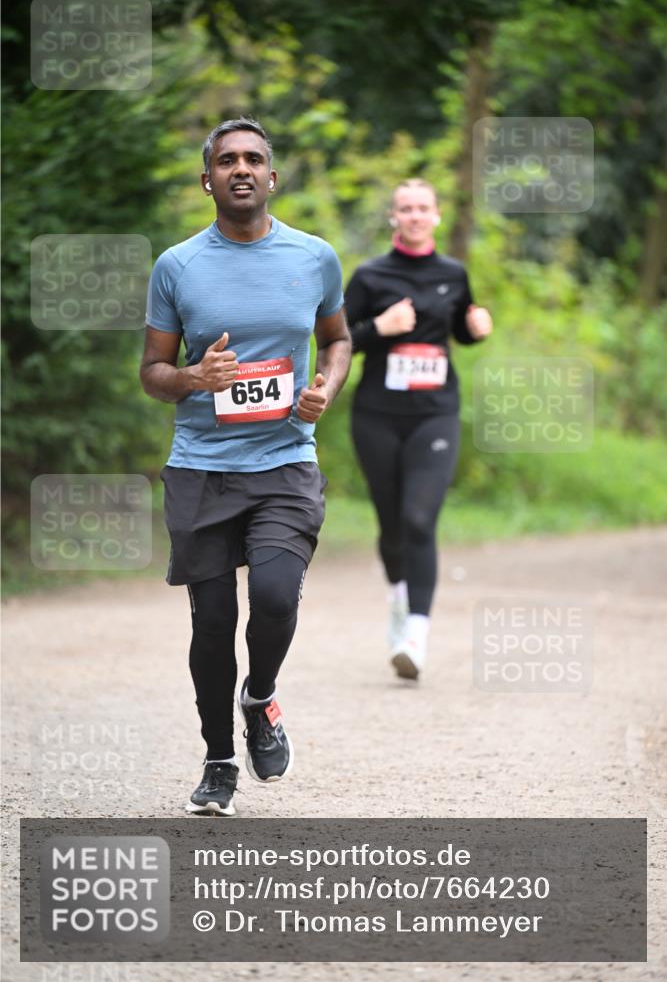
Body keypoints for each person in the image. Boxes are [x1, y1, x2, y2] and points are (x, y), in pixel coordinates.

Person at [140, 117, 351, 815]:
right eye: (226, 160)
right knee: (210, 623)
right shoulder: (177, 266)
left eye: (253, 159)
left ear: (271, 176)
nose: (240, 168)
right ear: (207, 180)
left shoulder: (315, 256)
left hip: (285, 460)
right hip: (202, 466)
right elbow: (151, 371)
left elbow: (338, 338)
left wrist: (325, 386)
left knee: (273, 593)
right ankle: (218, 759)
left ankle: (259, 696)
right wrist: (195, 379)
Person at [345, 178, 492, 681]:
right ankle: (399, 599)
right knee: (391, 523)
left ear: (437, 216)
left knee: (419, 518)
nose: (413, 215)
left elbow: (459, 330)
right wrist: (377, 329)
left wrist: (475, 331)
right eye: (404, 208)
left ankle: (417, 635)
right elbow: (340, 340)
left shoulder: (453, 273)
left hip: (436, 413)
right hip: (377, 416)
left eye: (422, 208)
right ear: (393, 217)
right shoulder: (370, 276)